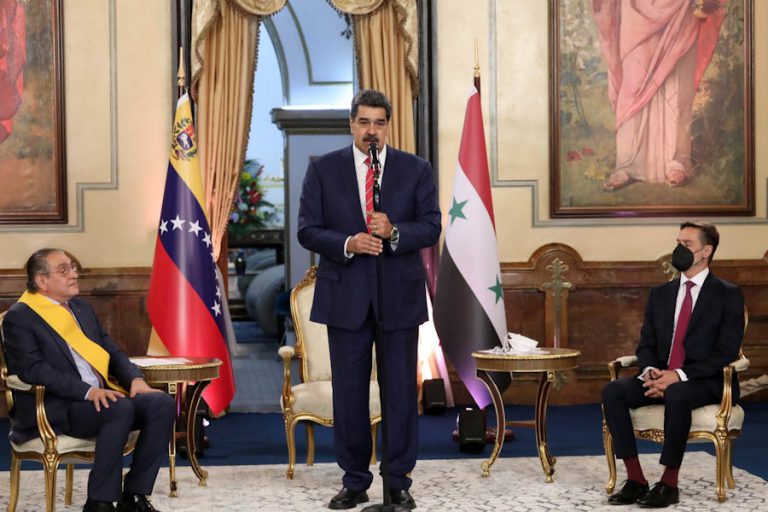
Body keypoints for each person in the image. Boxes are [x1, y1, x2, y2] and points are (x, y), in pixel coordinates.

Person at [297, 89, 441, 510]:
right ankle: (354, 481)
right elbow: (307, 229)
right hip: (345, 299)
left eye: (379, 123)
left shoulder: (416, 169)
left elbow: (431, 226)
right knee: (349, 396)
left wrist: (394, 232)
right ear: (351, 125)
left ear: (388, 126)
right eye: (364, 122)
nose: (371, 131)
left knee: (400, 395)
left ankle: (398, 482)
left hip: (398, 298)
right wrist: (349, 243)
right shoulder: (323, 170)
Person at [3, 248, 176, 512]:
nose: (74, 274)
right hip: (57, 408)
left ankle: (134, 496)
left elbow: (112, 351)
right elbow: (33, 370)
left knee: (161, 404)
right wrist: (87, 392)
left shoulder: (81, 309)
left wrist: (135, 379)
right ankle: (99, 502)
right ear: (41, 281)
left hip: (102, 400)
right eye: (64, 270)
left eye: (73, 267)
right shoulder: (20, 317)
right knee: (118, 407)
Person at [602, 222, 744, 508]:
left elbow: (726, 352)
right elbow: (646, 344)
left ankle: (669, 483)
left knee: (677, 393)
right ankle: (636, 479)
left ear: (706, 251)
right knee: (613, 391)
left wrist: (677, 376)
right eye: (678, 243)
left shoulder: (728, 294)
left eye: (687, 244)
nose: (679, 249)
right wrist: (650, 372)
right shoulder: (661, 293)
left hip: (706, 380)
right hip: (662, 375)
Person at [591, 1, 726, 191]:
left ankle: (675, 160)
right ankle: (627, 163)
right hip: (633, 8)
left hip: (680, 9)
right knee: (633, 83)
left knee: (676, 81)